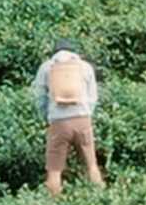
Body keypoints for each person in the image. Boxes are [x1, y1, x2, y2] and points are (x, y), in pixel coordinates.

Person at [33, 44, 105, 196]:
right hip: (83, 119)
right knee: (91, 165)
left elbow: (39, 97)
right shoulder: (85, 67)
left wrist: (47, 116)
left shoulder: (47, 67)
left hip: (58, 122)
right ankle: (102, 199)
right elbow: (93, 97)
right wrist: (86, 114)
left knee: (54, 169)